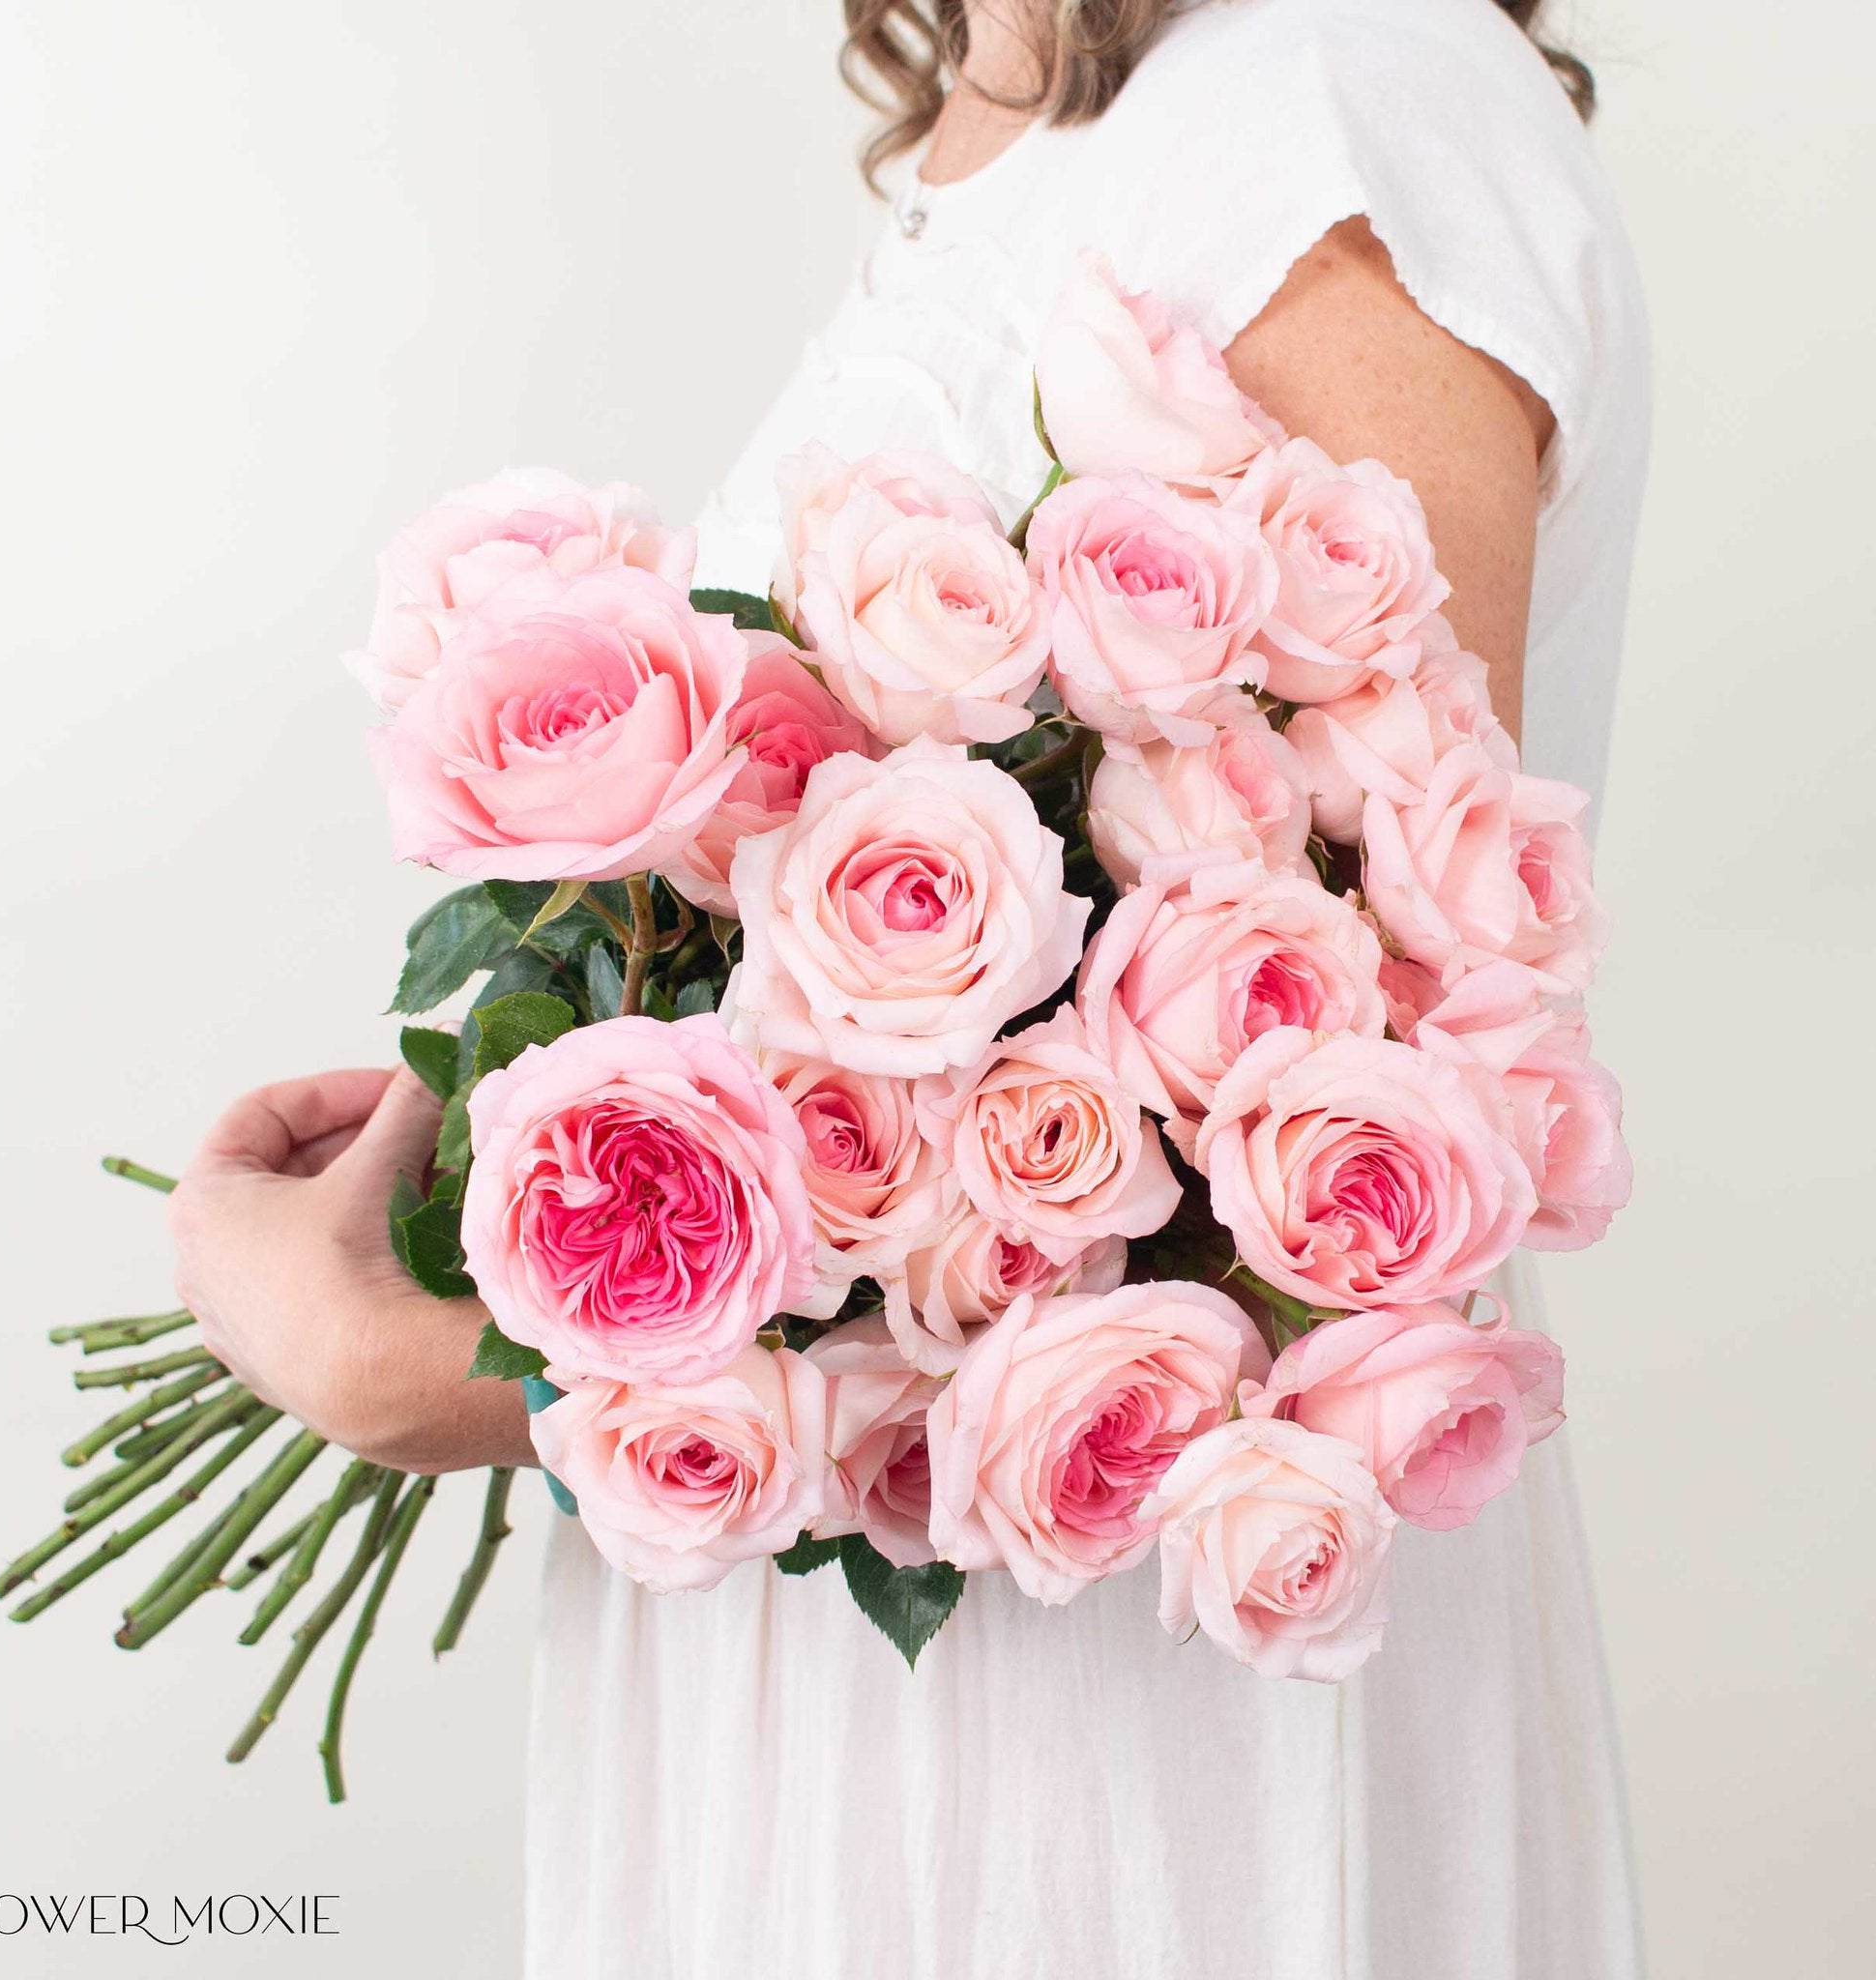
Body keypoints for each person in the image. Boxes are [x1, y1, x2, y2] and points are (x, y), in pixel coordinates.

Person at [167, 1, 1648, 1972]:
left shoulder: (1339, 102)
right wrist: (558, 1118)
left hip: (1108, 1754)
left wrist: (417, 1361)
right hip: (861, 1685)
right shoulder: (1049, 97)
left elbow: (1314, 1159)